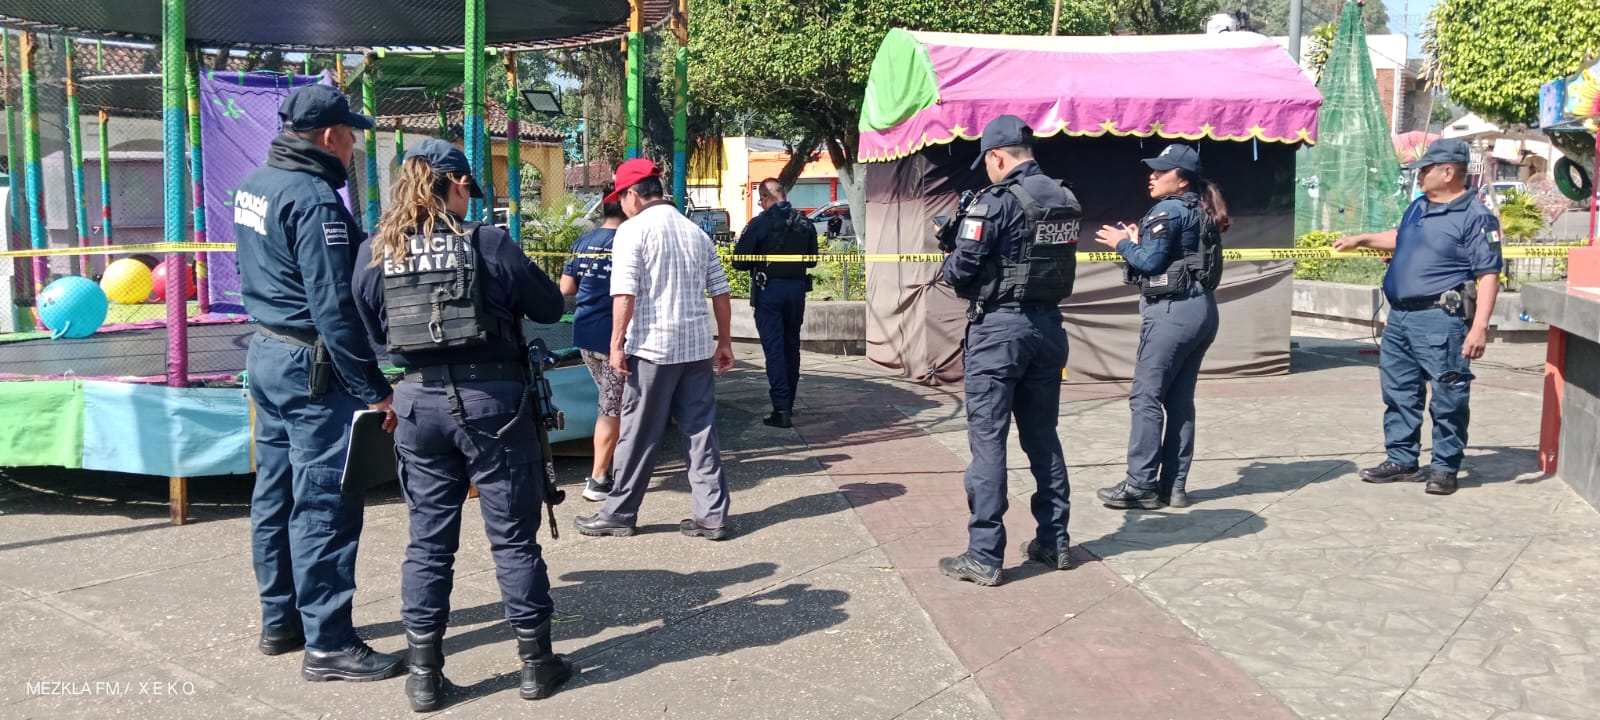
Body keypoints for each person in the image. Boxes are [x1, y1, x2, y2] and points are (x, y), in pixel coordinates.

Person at [350, 139, 571, 711]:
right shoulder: (487, 242)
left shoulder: (377, 249)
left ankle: (424, 676)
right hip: (493, 403)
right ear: (453, 184)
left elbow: (371, 328)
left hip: (417, 403)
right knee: (514, 538)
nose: (470, 196)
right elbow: (549, 308)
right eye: (468, 186)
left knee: (427, 543)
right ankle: (534, 665)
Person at [234, 83, 404, 683]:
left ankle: (281, 620)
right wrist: (374, 388)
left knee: (275, 494)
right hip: (311, 367)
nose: (355, 146)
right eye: (352, 135)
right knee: (325, 504)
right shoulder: (315, 201)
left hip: (267, 354)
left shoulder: (256, 183)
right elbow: (334, 307)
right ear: (330, 137)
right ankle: (329, 642)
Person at [937, 115, 1080, 587]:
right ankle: (1055, 540)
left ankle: (984, 555)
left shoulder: (993, 203)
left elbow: (959, 273)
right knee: (1042, 436)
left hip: (999, 332)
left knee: (988, 441)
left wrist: (950, 247)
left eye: (988, 163)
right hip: (1048, 329)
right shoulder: (1064, 197)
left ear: (998, 157)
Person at [573, 158, 738, 540]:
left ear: (633, 194)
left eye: (621, 197)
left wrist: (616, 345)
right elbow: (721, 292)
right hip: (696, 347)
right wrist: (725, 342)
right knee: (700, 432)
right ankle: (711, 516)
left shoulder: (633, 231)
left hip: (651, 349)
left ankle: (618, 513)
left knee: (638, 433)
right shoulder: (695, 232)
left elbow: (624, 294)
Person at [1333, 138, 1502, 496]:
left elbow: (1489, 274)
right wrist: (1362, 239)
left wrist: (1479, 327)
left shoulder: (1476, 217)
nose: (1419, 175)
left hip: (1440, 319)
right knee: (1399, 392)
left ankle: (1444, 467)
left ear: (1448, 171)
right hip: (1401, 320)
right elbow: (1401, 237)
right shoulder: (1418, 207)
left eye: (1425, 169)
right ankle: (1402, 459)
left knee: (1448, 395)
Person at [1092, 143, 1227, 511]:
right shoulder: (1199, 209)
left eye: (1161, 171)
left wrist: (1122, 243)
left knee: (1146, 397)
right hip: (1202, 311)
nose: (1151, 176)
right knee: (1179, 402)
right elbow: (1171, 256)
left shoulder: (1167, 209)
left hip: (1172, 312)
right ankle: (1174, 487)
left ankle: (1140, 486)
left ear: (1182, 180)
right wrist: (1138, 243)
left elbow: (1150, 263)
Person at [731, 178, 818, 428]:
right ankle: (788, 403)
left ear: (766, 198)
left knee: (775, 351)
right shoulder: (805, 222)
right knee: (791, 347)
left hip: (769, 291)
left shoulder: (760, 223)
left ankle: (781, 410)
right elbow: (811, 260)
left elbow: (739, 261)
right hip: (796, 291)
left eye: (760, 200)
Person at [561, 184, 628, 500]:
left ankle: (618, 464)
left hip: (585, 334)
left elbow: (566, 288)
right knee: (612, 406)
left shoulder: (583, 241)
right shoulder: (630, 242)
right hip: (615, 338)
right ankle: (599, 478)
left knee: (612, 399)